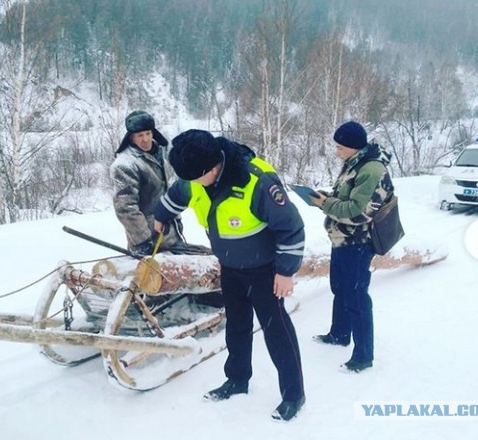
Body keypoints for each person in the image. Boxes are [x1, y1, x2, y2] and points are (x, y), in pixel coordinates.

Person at [153, 129, 306, 421]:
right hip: (230, 267)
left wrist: (286, 272)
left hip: (265, 270)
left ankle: (293, 394)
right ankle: (237, 380)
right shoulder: (195, 176)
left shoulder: (257, 182)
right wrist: (161, 214)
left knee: (277, 332)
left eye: (195, 178)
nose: (190, 184)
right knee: (236, 326)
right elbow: (177, 193)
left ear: (213, 168)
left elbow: (291, 227)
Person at [308, 121, 395, 373]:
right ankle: (339, 333)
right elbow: (346, 198)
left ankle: (363, 355)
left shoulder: (372, 170)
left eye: (340, 147)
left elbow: (358, 212)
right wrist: (325, 198)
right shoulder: (355, 163)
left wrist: (325, 204)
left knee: (357, 296)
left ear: (353, 147)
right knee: (340, 288)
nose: (336, 152)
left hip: (359, 241)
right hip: (341, 238)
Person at [110, 110, 186, 255]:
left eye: (148, 133)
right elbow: (126, 208)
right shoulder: (124, 165)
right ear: (131, 138)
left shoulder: (161, 154)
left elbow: (167, 190)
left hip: (171, 234)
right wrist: (143, 241)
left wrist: (177, 219)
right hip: (149, 241)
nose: (145, 139)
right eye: (140, 135)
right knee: (152, 277)